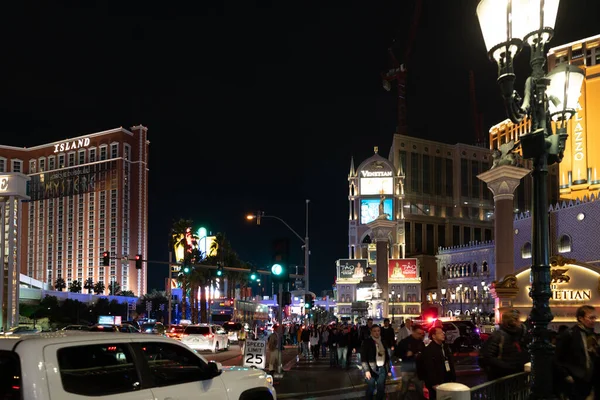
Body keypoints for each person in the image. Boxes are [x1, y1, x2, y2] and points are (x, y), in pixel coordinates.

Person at [556, 305, 598, 400]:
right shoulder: (569, 334)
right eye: (591, 318)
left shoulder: (592, 335)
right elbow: (557, 359)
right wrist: (566, 375)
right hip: (575, 379)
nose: (593, 321)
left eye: (595, 318)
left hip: (590, 380)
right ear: (580, 318)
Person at [480, 309, 529, 380]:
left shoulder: (519, 335)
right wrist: (508, 367)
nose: (519, 322)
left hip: (515, 377)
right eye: (517, 320)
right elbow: (487, 357)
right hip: (501, 378)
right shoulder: (498, 336)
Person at [420, 326, 456, 400]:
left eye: (443, 332)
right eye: (440, 333)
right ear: (433, 336)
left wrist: (453, 377)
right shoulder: (429, 350)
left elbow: (450, 362)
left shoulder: (445, 347)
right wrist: (433, 383)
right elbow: (428, 368)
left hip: (447, 379)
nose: (443, 334)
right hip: (437, 383)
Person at [361, 324, 391, 400]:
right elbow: (364, 358)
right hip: (371, 369)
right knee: (370, 388)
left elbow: (387, 357)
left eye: (378, 331)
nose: (377, 333)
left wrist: (389, 369)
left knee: (381, 389)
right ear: (371, 332)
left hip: (382, 369)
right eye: (374, 331)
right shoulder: (367, 342)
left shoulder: (383, 341)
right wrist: (367, 370)